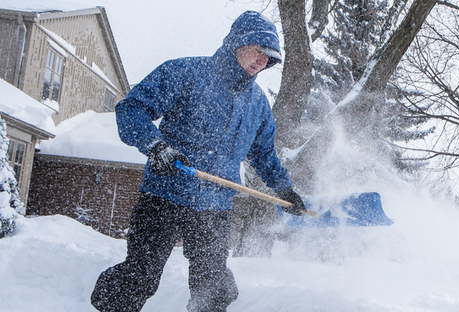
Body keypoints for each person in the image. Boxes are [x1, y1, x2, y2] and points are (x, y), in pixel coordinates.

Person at [90, 11, 306, 312]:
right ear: (239, 43)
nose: (263, 62)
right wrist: (156, 146)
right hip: (164, 195)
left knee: (213, 287)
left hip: (215, 206)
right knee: (141, 276)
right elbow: (132, 109)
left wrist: (284, 190)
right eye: (260, 52)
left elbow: (263, 154)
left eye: (270, 60)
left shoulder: (257, 103)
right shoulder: (186, 72)